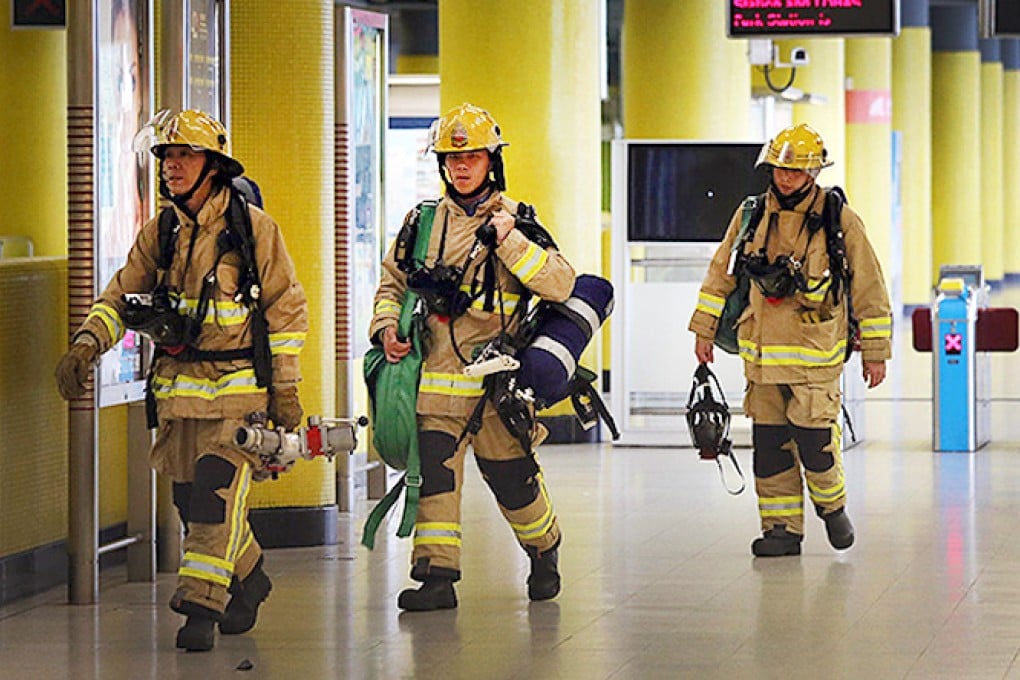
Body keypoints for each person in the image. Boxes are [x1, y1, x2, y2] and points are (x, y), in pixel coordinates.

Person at [54, 109, 309, 650]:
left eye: (184, 155)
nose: (172, 166)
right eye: (167, 156)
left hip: (240, 395)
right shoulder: (162, 232)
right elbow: (121, 296)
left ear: (212, 165)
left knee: (215, 500)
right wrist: (86, 344)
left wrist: (285, 390)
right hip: (178, 397)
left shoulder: (253, 229)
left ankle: (199, 607)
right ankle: (252, 574)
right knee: (189, 504)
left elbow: (287, 311)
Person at [370, 103, 576, 610]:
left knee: (514, 484)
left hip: (495, 385)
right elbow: (390, 285)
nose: (460, 167)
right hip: (436, 382)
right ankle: (436, 578)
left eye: (472, 157)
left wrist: (509, 243)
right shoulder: (420, 223)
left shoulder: (517, 221)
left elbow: (560, 283)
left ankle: (544, 548)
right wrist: (383, 329)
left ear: (491, 161)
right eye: (451, 158)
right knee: (435, 481)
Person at [688, 123, 892, 557]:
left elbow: (869, 288)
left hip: (815, 358)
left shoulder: (840, 221)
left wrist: (875, 353)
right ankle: (781, 530)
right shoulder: (751, 216)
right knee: (770, 450)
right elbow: (719, 276)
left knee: (816, 447)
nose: (785, 179)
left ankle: (832, 507)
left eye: (795, 172)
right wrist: (704, 330)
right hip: (761, 357)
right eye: (780, 169)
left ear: (814, 173)